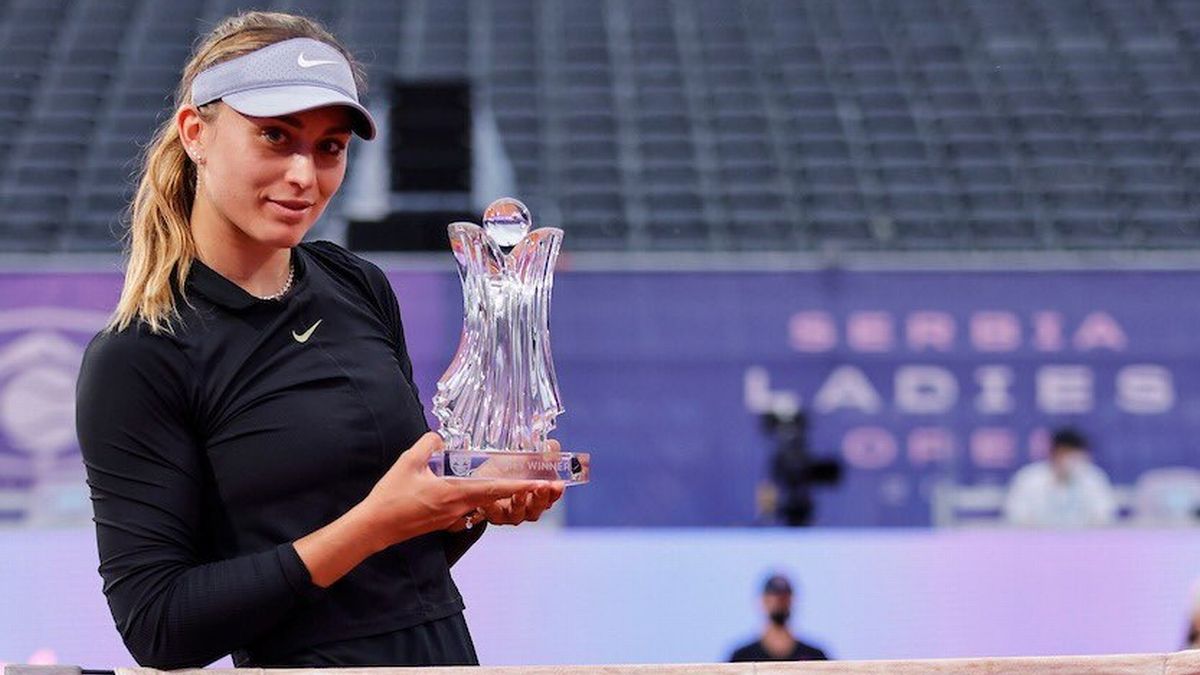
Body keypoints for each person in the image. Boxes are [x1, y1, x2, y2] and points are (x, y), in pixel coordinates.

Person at [74, 11, 563, 669]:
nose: (305, 174)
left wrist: (472, 504)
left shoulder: (355, 282)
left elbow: (394, 561)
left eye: (329, 147)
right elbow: (159, 624)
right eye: (276, 137)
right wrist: (379, 520)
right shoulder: (140, 355)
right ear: (197, 133)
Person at [1003, 428, 1118, 527]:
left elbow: (1105, 516)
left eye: (1077, 455)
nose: (1072, 460)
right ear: (1053, 452)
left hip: (1083, 543)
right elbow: (1016, 516)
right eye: (1067, 454)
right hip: (1037, 543)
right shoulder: (1029, 478)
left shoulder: (1093, 478)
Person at [728, 574, 829, 662]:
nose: (779, 601)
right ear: (763, 601)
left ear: (791, 600)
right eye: (774, 595)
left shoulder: (814, 656)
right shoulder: (743, 657)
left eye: (784, 597)